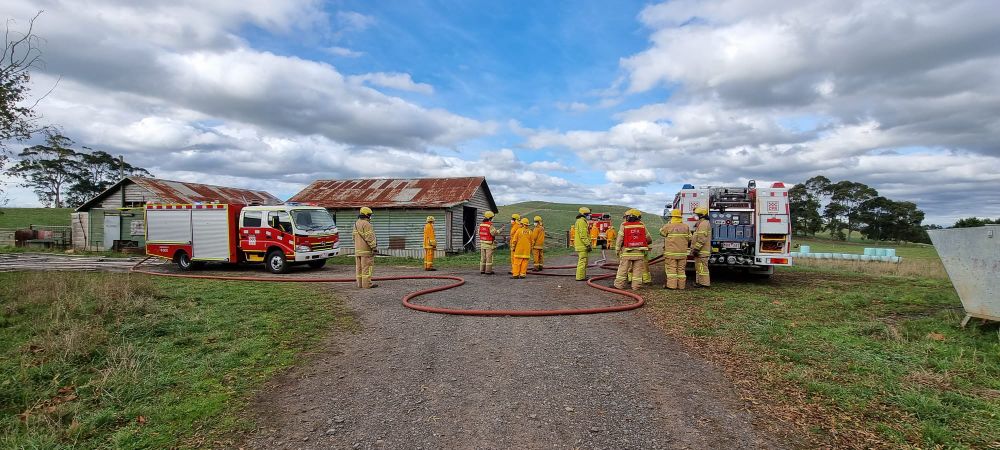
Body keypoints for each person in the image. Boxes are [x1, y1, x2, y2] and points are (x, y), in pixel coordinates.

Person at [614, 209, 652, 290]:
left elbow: (620, 239)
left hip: (627, 252)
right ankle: (636, 287)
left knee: (623, 270)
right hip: (639, 253)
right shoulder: (642, 225)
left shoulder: (624, 225)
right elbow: (648, 238)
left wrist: (617, 250)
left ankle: (619, 286)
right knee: (638, 271)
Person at [660, 209, 691, 289]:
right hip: (683, 253)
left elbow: (662, 233)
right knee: (681, 270)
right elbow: (690, 238)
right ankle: (681, 286)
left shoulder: (668, 226)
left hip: (671, 253)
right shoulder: (686, 226)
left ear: (672, 217)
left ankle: (672, 286)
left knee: (671, 270)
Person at [353, 207, 378, 288]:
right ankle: (367, 284)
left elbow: (353, 237)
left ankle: (360, 284)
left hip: (357, 251)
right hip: (366, 251)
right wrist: (374, 247)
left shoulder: (356, 224)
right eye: (370, 215)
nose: (370, 217)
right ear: (367, 215)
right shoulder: (367, 224)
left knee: (359, 268)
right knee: (367, 268)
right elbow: (369, 237)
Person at [691, 206, 712, 287]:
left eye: (697, 214)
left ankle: (704, 283)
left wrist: (696, 249)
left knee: (702, 268)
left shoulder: (703, 224)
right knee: (700, 268)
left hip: (701, 251)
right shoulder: (702, 223)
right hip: (701, 251)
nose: (695, 216)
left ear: (701, 215)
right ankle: (700, 282)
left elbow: (701, 239)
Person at [573, 207, 593, 281]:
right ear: (584, 214)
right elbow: (583, 235)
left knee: (584, 261)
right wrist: (588, 244)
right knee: (582, 261)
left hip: (581, 245)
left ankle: (582, 276)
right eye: (588, 214)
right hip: (582, 245)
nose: (589, 215)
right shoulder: (582, 222)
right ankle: (580, 277)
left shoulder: (580, 221)